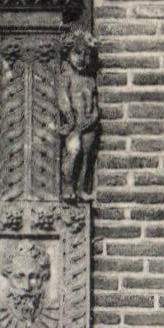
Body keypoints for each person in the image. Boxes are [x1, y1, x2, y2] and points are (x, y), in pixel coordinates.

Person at [59, 28, 100, 201]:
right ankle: (68, 186)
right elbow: (63, 99)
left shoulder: (89, 80)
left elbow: (94, 102)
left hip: (88, 123)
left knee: (87, 155)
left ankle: (83, 188)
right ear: (68, 53)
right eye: (77, 53)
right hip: (74, 122)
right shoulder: (67, 77)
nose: (82, 59)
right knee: (73, 151)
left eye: (86, 54)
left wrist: (94, 117)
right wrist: (69, 119)